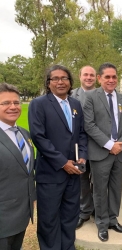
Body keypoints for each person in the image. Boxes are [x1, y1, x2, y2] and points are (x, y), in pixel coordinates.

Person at [28, 65, 87, 250]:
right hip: (51, 174)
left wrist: (83, 156)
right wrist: (62, 162)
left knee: (70, 216)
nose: (60, 82)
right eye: (55, 78)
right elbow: (38, 137)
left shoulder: (76, 105)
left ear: (70, 82)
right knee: (49, 219)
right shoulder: (38, 104)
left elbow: (82, 134)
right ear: (48, 83)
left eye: (64, 78)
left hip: (74, 173)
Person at [82, 62, 122, 242]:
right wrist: (109, 144)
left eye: (114, 77)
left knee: (115, 188)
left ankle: (113, 219)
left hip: (119, 152)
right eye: (107, 77)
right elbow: (89, 125)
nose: (111, 80)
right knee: (99, 190)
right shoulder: (91, 98)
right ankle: (102, 224)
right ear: (99, 78)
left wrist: (121, 144)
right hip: (100, 153)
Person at [0, 83, 35, 250]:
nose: (13, 107)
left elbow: (26, 172)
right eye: (6, 103)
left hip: (21, 215)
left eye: (16, 102)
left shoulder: (24, 133)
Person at [71, 65, 96, 229]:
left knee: (100, 180)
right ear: (80, 76)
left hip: (99, 145)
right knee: (81, 179)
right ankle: (84, 211)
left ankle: (98, 208)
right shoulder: (70, 95)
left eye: (92, 75)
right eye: (85, 75)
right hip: (78, 146)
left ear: (96, 77)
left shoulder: (103, 95)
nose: (88, 77)